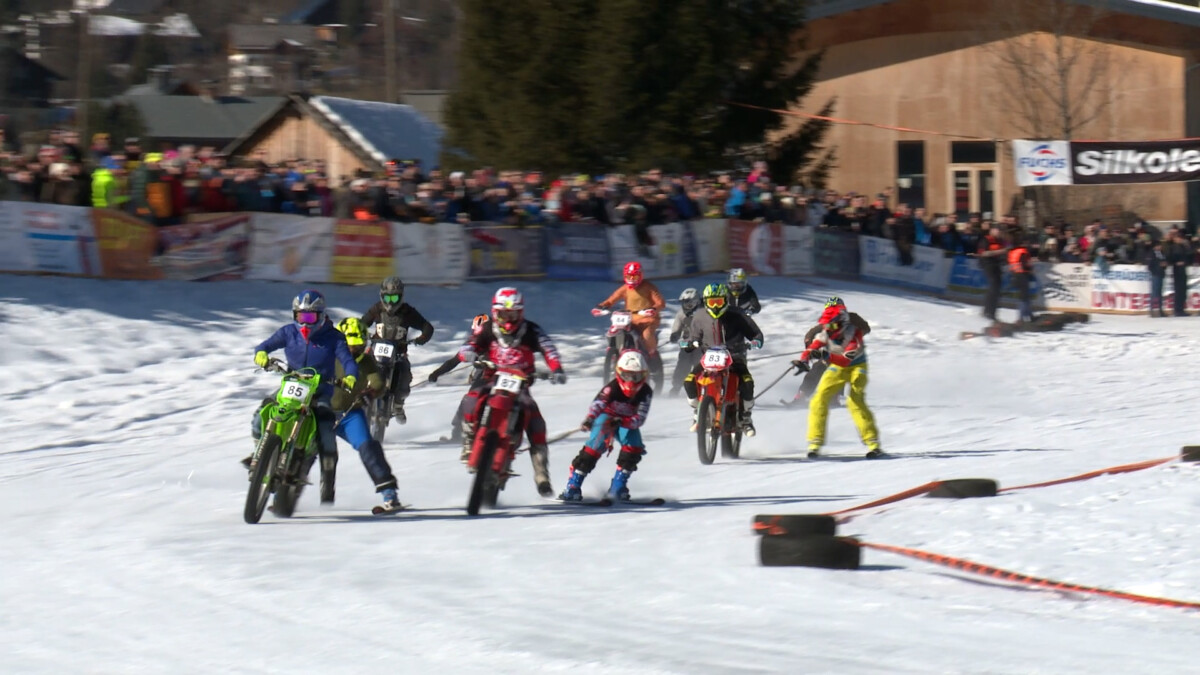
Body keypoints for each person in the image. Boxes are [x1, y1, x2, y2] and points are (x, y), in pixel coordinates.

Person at [249, 290, 358, 504]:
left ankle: (327, 483)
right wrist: (261, 355)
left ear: (321, 316)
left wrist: (351, 377)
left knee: (326, 430)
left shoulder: (334, 337)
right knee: (259, 415)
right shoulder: (289, 333)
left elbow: (348, 361)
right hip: (291, 386)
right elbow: (264, 346)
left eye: (310, 317)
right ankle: (260, 456)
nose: (305, 322)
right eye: (300, 316)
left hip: (320, 391)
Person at [456, 287, 567, 497]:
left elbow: (548, 348)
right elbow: (470, 343)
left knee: (537, 424)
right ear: (494, 312)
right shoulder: (487, 328)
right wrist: (468, 353)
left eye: (513, 314)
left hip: (521, 384)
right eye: (503, 313)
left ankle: (542, 475)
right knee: (470, 401)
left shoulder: (532, 330)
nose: (508, 318)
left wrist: (556, 368)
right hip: (491, 377)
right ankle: (469, 442)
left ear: (521, 313)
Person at [791, 298, 881, 459]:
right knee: (818, 400)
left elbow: (846, 357)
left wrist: (825, 354)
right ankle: (815, 442)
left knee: (855, 400)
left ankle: (872, 443)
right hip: (837, 366)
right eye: (826, 324)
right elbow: (814, 344)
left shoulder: (854, 332)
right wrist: (803, 360)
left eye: (832, 325)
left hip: (855, 367)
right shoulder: (827, 330)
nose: (828, 328)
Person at [330, 317, 403, 512]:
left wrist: (370, 393)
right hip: (321, 411)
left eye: (360, 345)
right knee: (305, 448)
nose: (355, 351)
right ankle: (284, 492)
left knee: (369, 447)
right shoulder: (327, 353)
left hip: (349, 415)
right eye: (350, 346)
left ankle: (389, 493)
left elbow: (378, 382)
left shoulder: (366, 360)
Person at [560, 350, 654, 502]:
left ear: (643, 376)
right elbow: (598, 404)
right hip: (606, 417)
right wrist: (590, 418)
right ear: (619, 374)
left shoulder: (646, 392)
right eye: (627, 376)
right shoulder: (611, 388)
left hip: (627, 421)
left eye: (636, 377)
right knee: (594, 446)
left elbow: (640, 418)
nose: (630, 382)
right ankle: (573, 485)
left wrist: (623, 422)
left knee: (634, 446)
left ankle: (618, 485)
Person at [682, 283, 764, 436]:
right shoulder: (699, 316)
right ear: (705, 302)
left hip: (735, 358)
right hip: (708, 360)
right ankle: (697, 412)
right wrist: (689, 343)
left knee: (747, 383)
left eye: (718, 302)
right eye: (711, 302)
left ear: (726, 300)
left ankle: (746, 417)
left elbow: (756, 333)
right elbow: (692, 337)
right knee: (688, 381)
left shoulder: (738, 315)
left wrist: (755, 341)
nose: (714, 306)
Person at [360, 276, 434, 424]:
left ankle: (398, 404)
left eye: (394, 298)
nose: (390, 302)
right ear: (381, 297)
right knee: (359, 366)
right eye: (387, 298)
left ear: (401, 297)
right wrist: (359, 333)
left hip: (398, 352)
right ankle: (354, 397)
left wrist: (422, 338)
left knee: (405, 374)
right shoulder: (376, 309)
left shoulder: (408, 312)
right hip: (375, 350)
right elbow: (362, 323)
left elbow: (427, 326)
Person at [592, 261, 666, 388]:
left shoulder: (649, 287)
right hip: (630, 320)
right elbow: (612, 299)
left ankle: (652, 357)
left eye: (635, 277)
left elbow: (660, 303)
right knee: (617, 331)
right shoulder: (625, 289)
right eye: (629, 277)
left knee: (647, 336)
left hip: (648, 321)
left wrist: (653, 309)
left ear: (640, 276)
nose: (632, 279)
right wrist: (601, 306)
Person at [787, 297, 870, 407]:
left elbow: (866, 328)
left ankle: (834, 398)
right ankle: (801, 397)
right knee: (816, 369)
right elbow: (813, 332)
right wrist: (809, 346)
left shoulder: (852, 318)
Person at [428, 313, 490, 441]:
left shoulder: (501, 341)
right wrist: (437, 373)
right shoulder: (472, 343)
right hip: (483, 376)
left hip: (501, 374)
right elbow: (454, 361)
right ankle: (457, 434)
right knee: (468, 400)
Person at [668, 288, 701, 396]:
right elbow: (677, 326)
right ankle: (676, 387)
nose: (685, 305)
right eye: (684, 303)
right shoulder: (681, 313)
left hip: (702, 344)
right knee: (682, 364)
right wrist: (675, 334)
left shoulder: (704, 312)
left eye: (688, 303)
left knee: (699, 365)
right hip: (687, 343)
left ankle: (701, 387)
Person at [977, 226, 1007, 324]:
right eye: (997, 230)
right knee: (993, 285)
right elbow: (983, 253)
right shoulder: (986, 239)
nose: (999, 232)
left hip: (997, 264)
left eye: (1000, 230)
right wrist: (999, 252)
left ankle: (992, 313)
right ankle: (987, 311)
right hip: (988, 264)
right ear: (992, 231)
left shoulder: (1000, 241)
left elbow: (1006, 250)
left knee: (997, 288)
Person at [1008, 233, 1034, 323]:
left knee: (1023, 296)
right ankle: (1022, 317)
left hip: (1015, 275)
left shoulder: (1014, 251)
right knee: (1024, 297)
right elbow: (1024, 264)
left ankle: (1028, 315)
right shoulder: (1023, 252)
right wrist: (1030, 268)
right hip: (1022, 275)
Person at [1147, 239, 1167, 318]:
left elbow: (1164, 262)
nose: (1160, 247)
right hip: (1155, 275)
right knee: (1154, 293)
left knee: (1160, 293)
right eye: (1158, 246)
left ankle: (1160, 310)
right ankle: (1152, 310)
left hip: (1161, 274)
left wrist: (1164, 265)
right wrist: (1156, 270)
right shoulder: (1151, 254)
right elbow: (1150, 266)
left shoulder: (1162, 253)